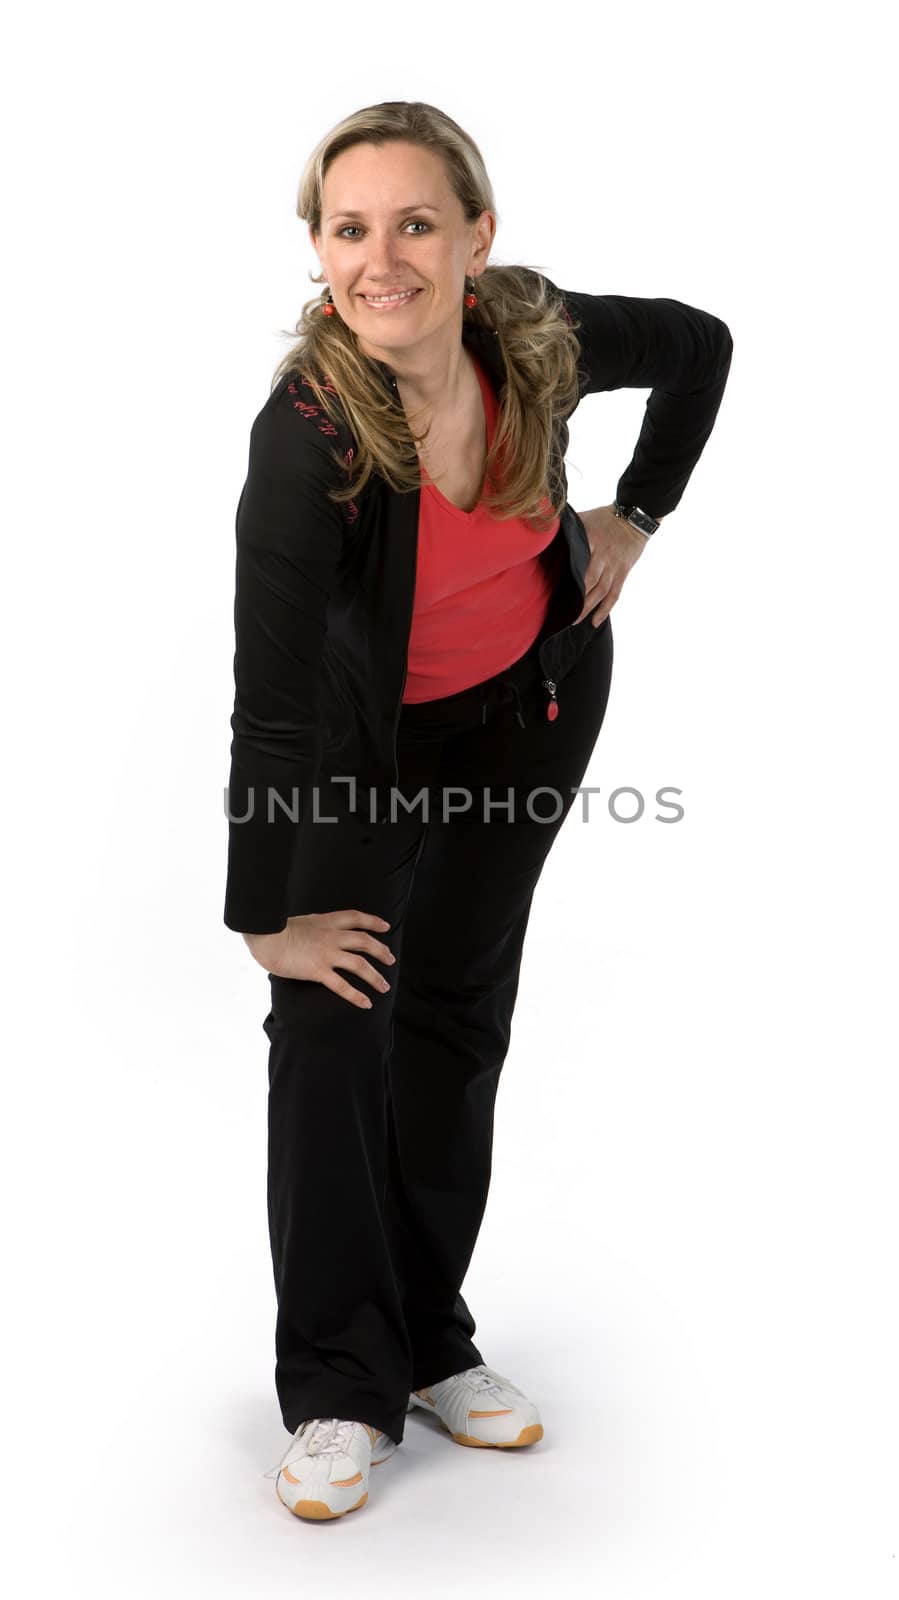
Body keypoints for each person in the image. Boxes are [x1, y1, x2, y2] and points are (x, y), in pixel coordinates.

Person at [223, 99, 734, 1522]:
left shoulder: (533, 338)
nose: (381, 259)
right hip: (355, 752)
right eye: (349, 229)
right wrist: (263, 914)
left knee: (453, 1012)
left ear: (475, 236)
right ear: (317, 251)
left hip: (532, 714)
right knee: (333, 1032)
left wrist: (640, 511)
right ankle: (337, 1382)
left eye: (414, 224)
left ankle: (432, 1340)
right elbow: (269, 704)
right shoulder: (309, 438)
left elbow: (699, 346)